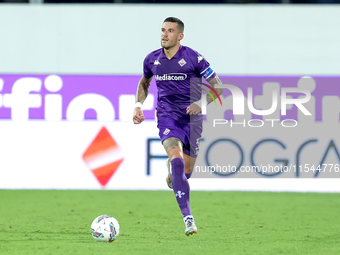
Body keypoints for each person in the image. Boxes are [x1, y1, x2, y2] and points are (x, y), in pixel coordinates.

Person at [132, 17, 223, 236]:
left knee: (185, 172)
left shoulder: (194, 58)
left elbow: (218, 87)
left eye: (170, 31)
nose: (164, 34)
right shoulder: (152, 59)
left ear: (180, 36)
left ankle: (173, 173)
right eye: (163, 30)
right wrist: (137, 105)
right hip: (167, 116)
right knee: (177, 159)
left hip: (192, 120)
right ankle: (188, 219)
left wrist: (200, 104)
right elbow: (144, 83)